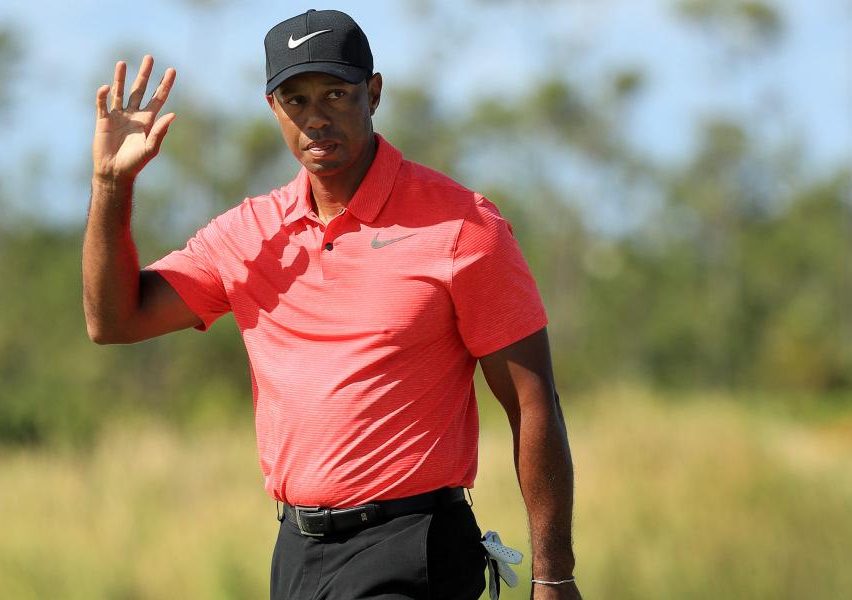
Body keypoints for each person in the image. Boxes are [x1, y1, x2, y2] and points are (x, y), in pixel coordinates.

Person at [83, 8, 582, 600]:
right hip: (297, 553)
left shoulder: (462, 226)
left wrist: (553, 576)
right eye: (294, 100)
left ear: (373, 94)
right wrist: (112, 187)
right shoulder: (248, 234)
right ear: (274, 109)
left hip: (413, 545)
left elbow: (532, 405)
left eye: (336, 94)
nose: (316, 118)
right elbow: (113, 321)